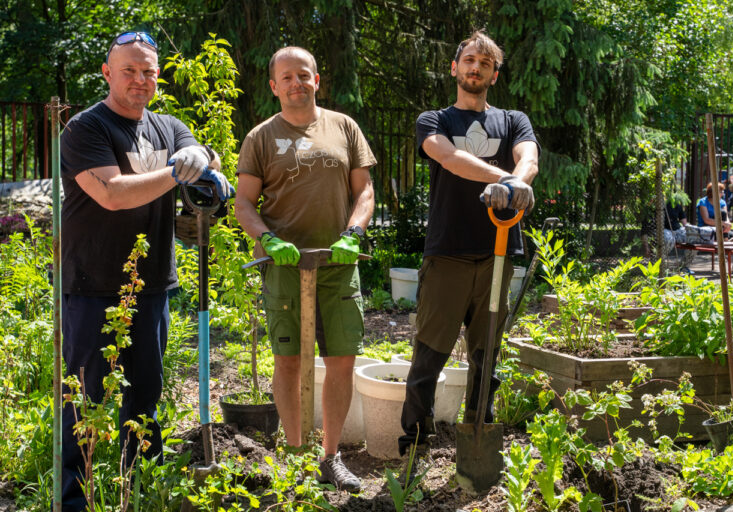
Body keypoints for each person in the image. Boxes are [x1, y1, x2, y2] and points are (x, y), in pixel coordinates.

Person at [59, 31, 233, 512]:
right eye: (130, 71)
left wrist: (208, 161)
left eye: (149, 72)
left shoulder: (169, 128)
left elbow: (201, 163)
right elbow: (113, 195)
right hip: (91, 287)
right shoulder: (84, 129)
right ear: (107, 74)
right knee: (85, 403)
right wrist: (183, 171)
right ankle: (76, 502)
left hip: (151, 285)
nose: (140, 80)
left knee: (144, 402)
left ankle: (139, 495)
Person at [234, 46, 376, 492]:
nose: (297, 83)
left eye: (304, 75)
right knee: (289, 361)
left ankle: (330, 457)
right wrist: (267, 239)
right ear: (274, 86)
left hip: (337, 262)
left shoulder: (344, 127)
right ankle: (295, 456)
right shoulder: (259, 137)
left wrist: (353, 232)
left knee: (341, 360)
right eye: (287, 78)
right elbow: (243, 203)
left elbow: (365, 190)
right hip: (283, 267)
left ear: (317, 80)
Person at [397, 31, 539, 468]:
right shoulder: (434, 120)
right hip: (448, 253)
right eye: (469, 60)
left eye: (485, 63)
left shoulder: (514, 120)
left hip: (498, 254)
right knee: (429, 354)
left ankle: (479, 435)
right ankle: (415, 444)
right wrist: (501, 179)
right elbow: (449, 159)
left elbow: (529, 158)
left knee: (487, 358)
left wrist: (518, 181)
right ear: (455, 68)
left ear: (494, 74)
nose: (475, 68)